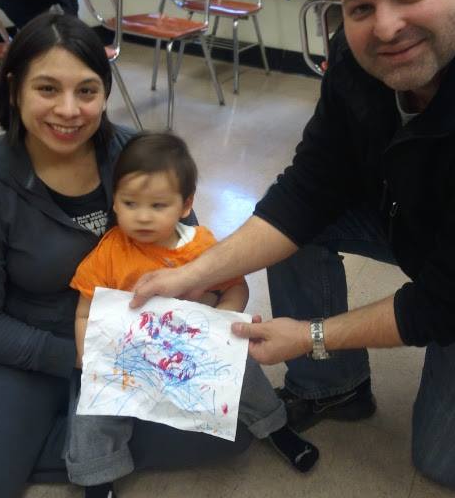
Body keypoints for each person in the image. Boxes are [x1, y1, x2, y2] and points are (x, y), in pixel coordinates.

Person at [129, 0, 455, 489]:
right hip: (415, 222)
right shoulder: (356, 63)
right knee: (302, 228)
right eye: (360, 7)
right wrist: (191, 274)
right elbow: (308, 189)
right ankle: (337, 387)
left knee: (440, 462)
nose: (386, 27)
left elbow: (443, 300)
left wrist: (310, 335)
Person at [0, 12, 252, 498]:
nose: (68, 110)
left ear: (105, 92)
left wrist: (212, 316)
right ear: (16, 87)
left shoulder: (132, 151)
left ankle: (67, 434)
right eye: (47, 89)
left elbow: (186, 252)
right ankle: (58, 429)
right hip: (33, 344)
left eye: (86, 91)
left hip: (137, 336)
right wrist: (81, 359)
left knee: (233, 431)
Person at [66, 131, 319, 498]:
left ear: (185, 205)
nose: (142, 216)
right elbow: (85, 312)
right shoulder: (109, 251)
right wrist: (88, 357)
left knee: (244, 373)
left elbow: (236, 286)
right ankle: (97, 477)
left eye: (158, 205)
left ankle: (275, 427)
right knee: (91, 408)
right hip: (128, 356)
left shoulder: (200, 246)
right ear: (114, 203)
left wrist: (221, 324)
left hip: (190, 350)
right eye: (130, 203)